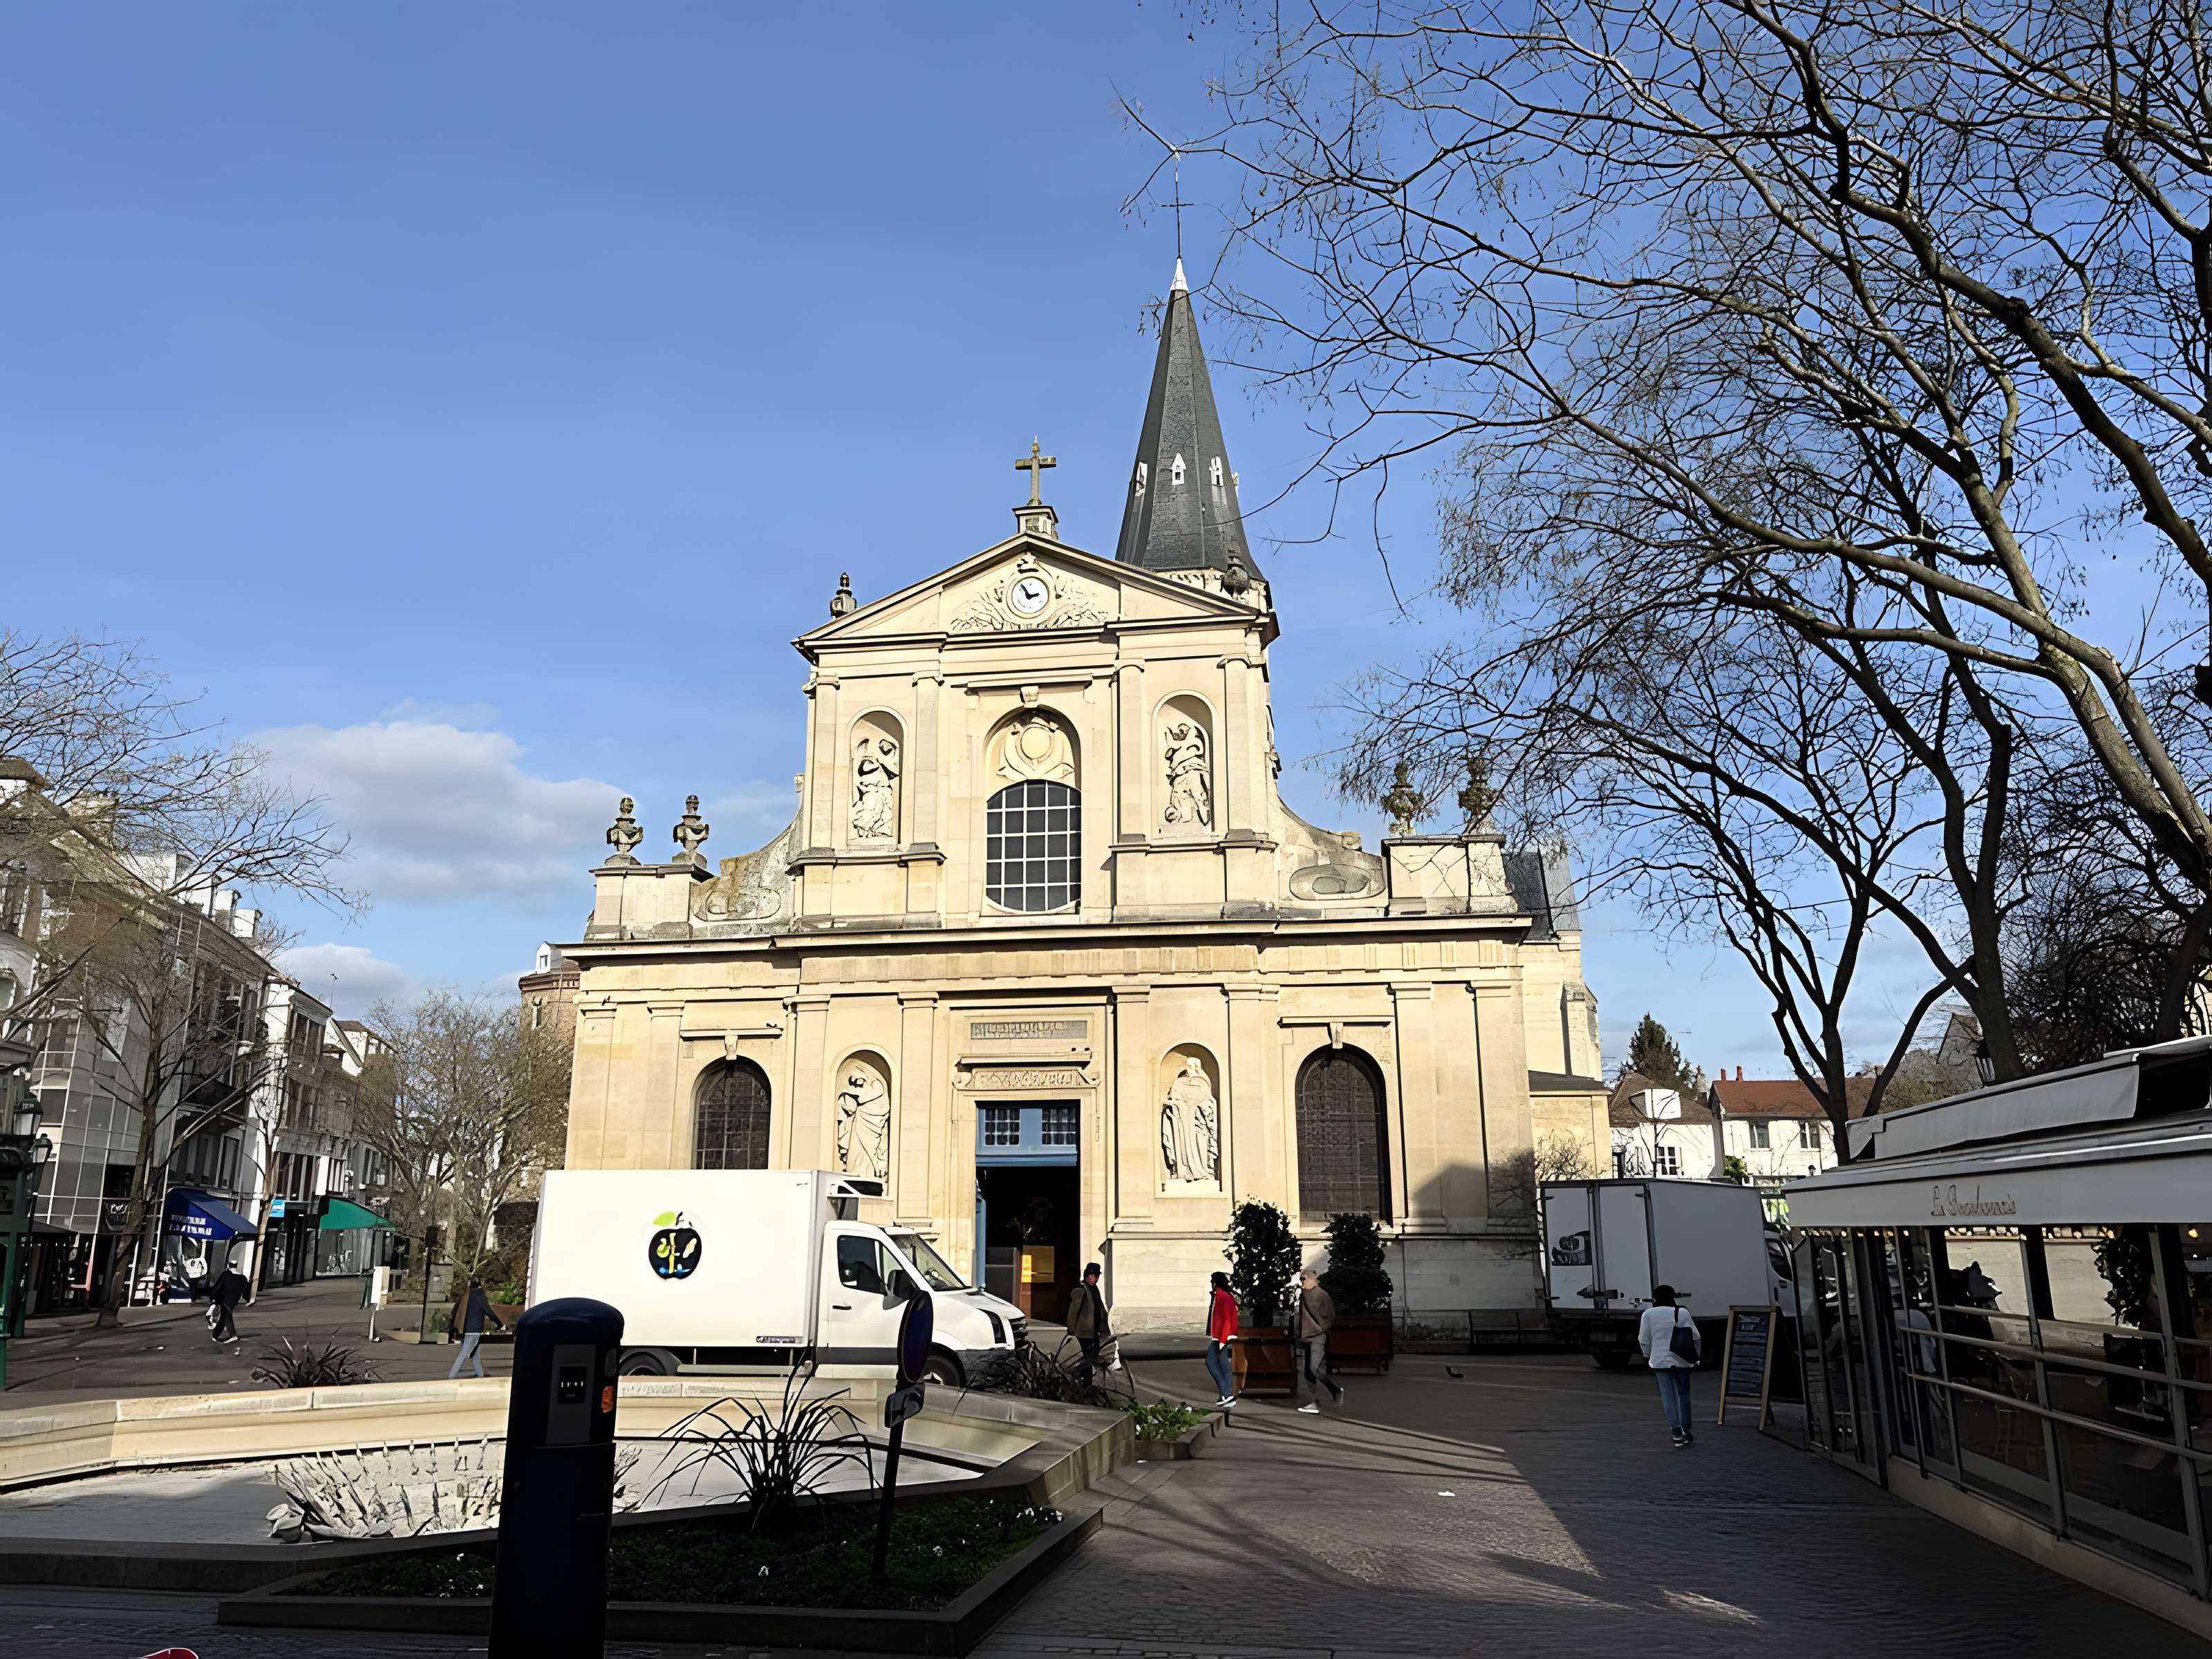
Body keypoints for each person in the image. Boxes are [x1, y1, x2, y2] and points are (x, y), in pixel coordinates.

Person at [1638, 1283, 1701, 1447]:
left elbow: (1644, 1340)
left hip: (1660, 1360)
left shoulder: (1648, 1314)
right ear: (1673, 1296)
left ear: (1655, 1298)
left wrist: (1647, 1356)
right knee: (1684, 1393)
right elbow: (1696, 1336)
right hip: (1682, 1359)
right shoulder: (1682, 1312)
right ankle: (1687, 1430)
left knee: (1668, 1396)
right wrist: (1696, 1357)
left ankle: (1676, 1431)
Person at [1292, 1269, 1345, 1414]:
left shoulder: (1322, 1295)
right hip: (1306, 1337)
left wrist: (1320, 1329)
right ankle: (1314, 1401)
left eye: (1303, 1280)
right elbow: (1301, 1316)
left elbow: (1331, 1317)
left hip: (1317, 1338)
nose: (1302, 1284)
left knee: (1314, 1369)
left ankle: (1335, 1391)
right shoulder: (1304, 1294)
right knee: (1308, 1372)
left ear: (1312, 1280)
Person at [447, 1278, 506, 1378]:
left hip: (465, 1329)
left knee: (476, 1354)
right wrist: (500, 1324)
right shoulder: (480, 1295)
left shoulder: (467, 1295)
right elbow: (489, 1311)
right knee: (463, 1355)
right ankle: (451, 1376)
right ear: (480, 1285)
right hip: (474, 1330)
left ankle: (480, 1374)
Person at [1066, 1262, 1111, 1383]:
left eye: (1097, 1276)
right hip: (1084, 1331)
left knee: (1091, 1359)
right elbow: (1073, 1310)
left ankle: (1085, 1381)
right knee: (1089, 1359)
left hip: (1094, 1331)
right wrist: (1071, 1329)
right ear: (1088, 1276)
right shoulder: (1081, 1290)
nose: (1095, 1279)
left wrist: (1104, 1328)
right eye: (1094, 1276)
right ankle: (1081, 1379)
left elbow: (1100, 1309)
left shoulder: (1094, 1289)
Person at [1205, 1271, 1239, 1408]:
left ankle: (1227, 1394)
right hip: (1219, 1336)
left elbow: (1226, 1320)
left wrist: (1223, 1340)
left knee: (1212, 1362)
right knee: (1222, 1364)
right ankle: (1226, 1394)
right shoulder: (1221, 1296)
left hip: (1221, 1337)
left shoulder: (1222, 1296)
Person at [207, 1257, 250, 1344]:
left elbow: (218, 1286)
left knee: (226, 1317)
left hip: (225, 1299)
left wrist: (213, 1297)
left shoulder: (226, 1274)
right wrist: (248, 1300)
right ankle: (218, 1335)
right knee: (225, 1316)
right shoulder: (243, 1278)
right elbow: (246, 1290)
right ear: (236, 1266)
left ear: (229, 1266)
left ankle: (231, 1335)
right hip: (234, 1300)